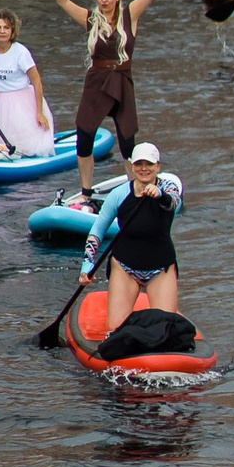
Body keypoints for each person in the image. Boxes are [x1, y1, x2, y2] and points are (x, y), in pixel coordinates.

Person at [52, 0, 179, 202]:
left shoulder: (130, 15)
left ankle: (136, 189)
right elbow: (63, 1)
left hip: (121, 81)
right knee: (84, 137)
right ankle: (86, 193)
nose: (103, 0)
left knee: (127, 141)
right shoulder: (91, 20)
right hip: (96, 81)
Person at [77, 141, 183, 331]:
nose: (144, 169)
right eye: (139, 164)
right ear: (132, 167)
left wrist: (159, 194)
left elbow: (173, 203)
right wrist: (87, 265)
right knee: (115, 329)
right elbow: (97, 230)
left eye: (149, 164)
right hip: (125, 267)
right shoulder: (119, 194)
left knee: (166, 329)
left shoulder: (169, 188)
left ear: (157, 166)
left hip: (161, 269)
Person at [0, 10, 53, 159]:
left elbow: (37, 81)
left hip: (21, 101)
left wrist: (39, 112)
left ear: (12, 31)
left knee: (26, 143)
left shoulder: (21, 52)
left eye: (6, 28)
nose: (2, 31)